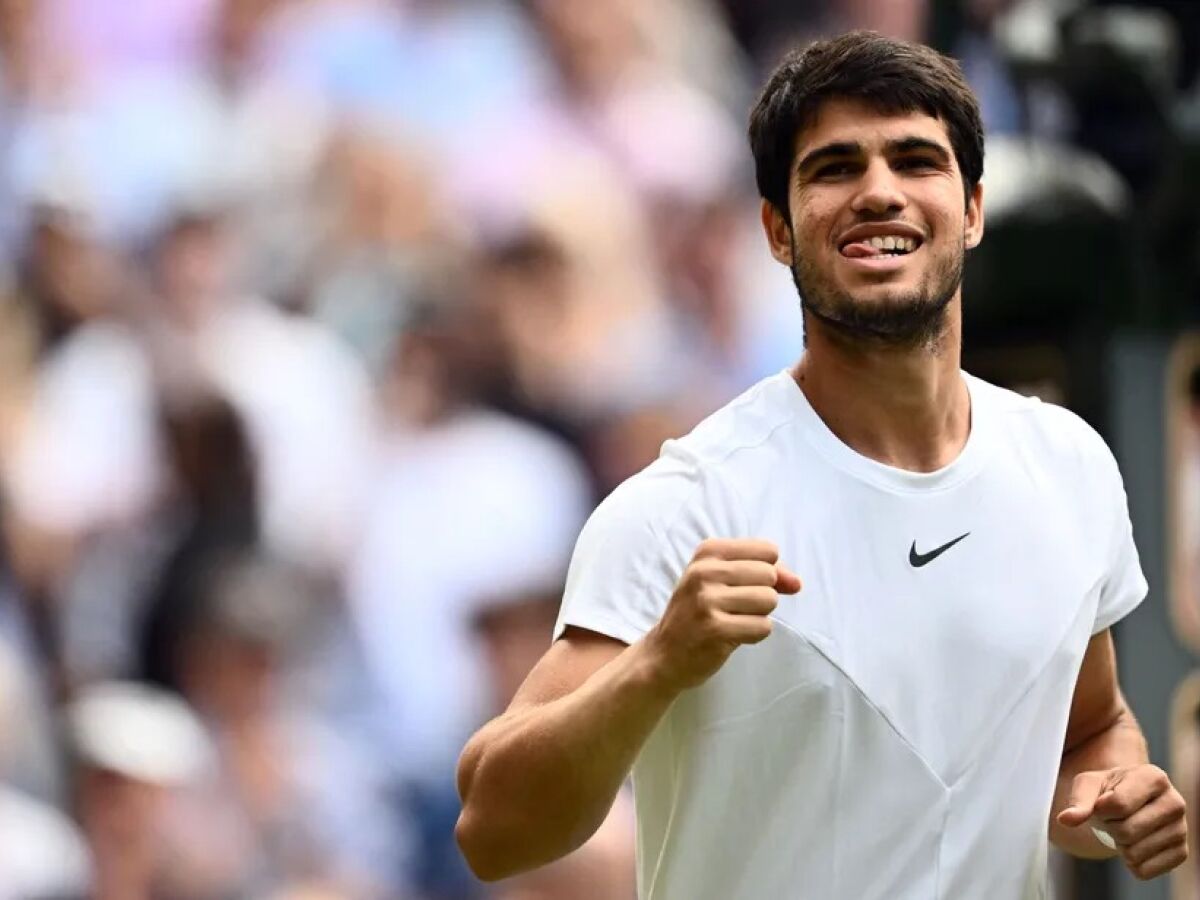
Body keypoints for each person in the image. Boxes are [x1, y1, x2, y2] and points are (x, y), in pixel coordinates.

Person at [454, 29, 1188, 899]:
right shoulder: (686, 506)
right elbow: (493, 832)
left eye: (916, 160)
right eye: (835, 168)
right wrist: (659, 663)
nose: (879, 192)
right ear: (777, 229)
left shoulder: (1069, 467)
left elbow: (1093, 729)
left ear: (974, 209)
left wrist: (1113, 798)